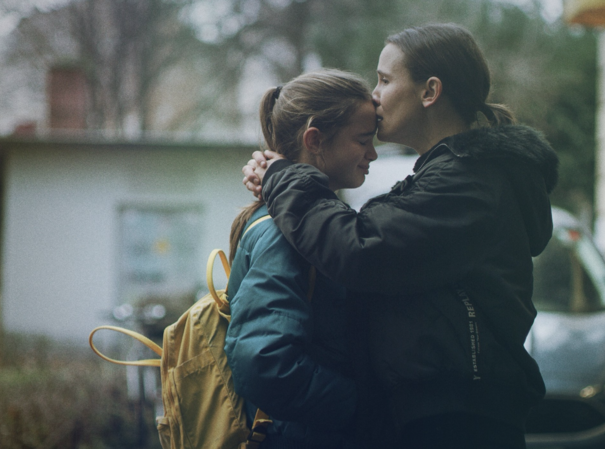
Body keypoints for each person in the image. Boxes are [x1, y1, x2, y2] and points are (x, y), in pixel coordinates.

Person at [242, 23, 559, 449]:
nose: (374, 95)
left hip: (457, 423)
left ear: (430, 92)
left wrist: (282, 177)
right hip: (449, 416)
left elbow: (360, 248)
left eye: (385, 80)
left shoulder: (468, 184)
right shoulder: (447, 177)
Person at [224, 69, 379, 449]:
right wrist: (365, 409)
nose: (372, 154)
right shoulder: (286, 233)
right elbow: (266, 363)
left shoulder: (308, 223)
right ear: (315, 140)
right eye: (363, 140)